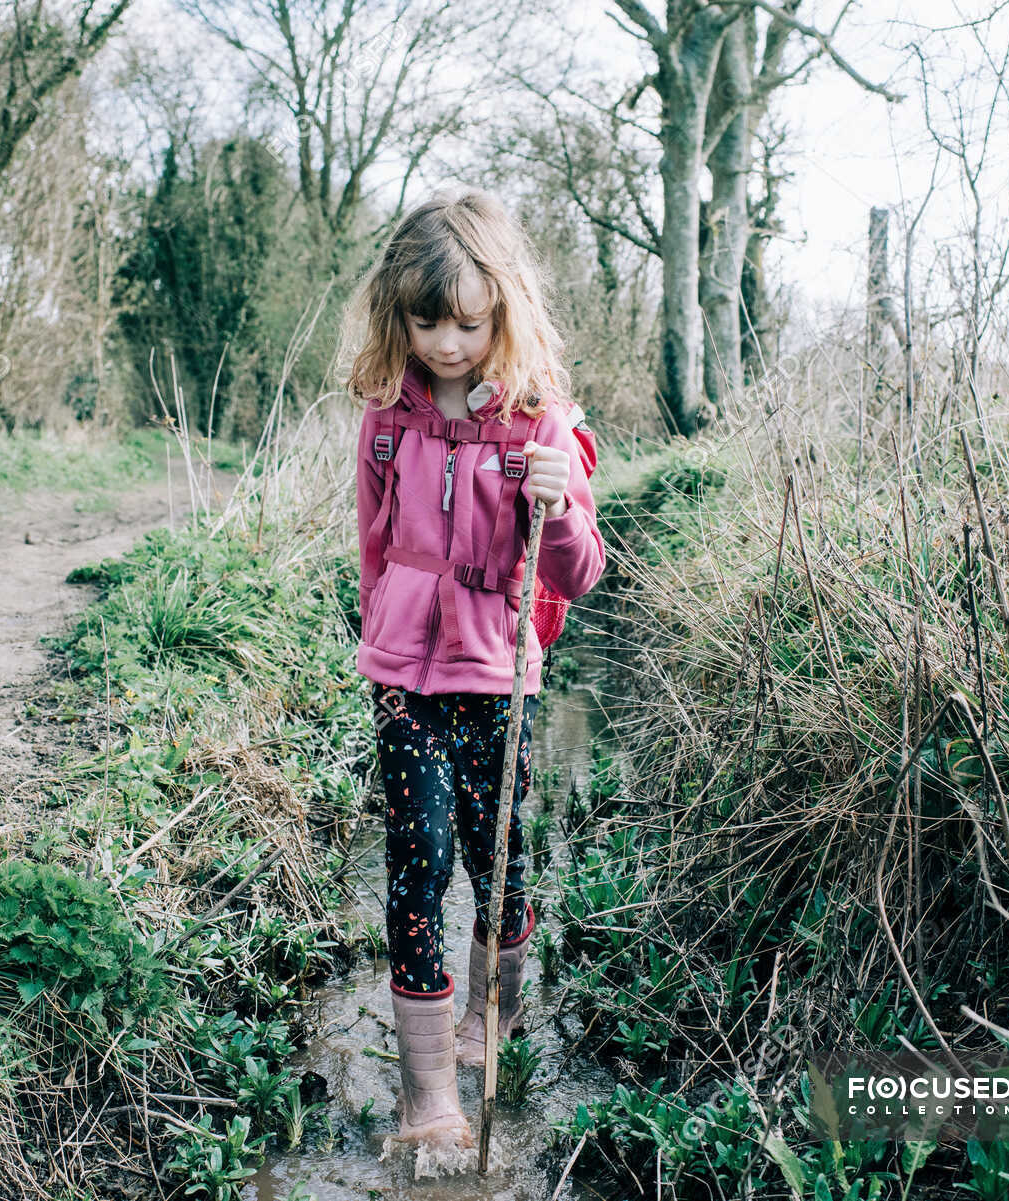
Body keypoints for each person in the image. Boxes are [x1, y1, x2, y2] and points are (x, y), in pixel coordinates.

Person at [341, 187, 606, 1152]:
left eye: (468, 321)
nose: (447, 344)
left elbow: (579, 572)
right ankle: (427, 1096)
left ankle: (492, 1018)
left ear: (502, 309)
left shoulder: (543, 424)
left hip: (498, 678)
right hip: (406, 680)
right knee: (420, 864)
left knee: (502, 866)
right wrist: (382, 642)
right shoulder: (386, 420)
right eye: (427, 321)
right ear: (396, 313)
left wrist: (563, 498)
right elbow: (373, 549)